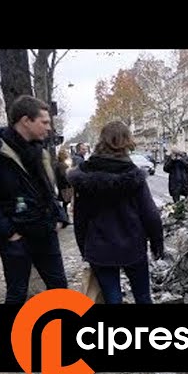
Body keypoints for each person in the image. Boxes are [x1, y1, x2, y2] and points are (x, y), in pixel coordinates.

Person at [67, 121, 164, 304]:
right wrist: (157, 244)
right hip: (133, 246)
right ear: (126, 141)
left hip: (99, 248)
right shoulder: (132, 174)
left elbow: (80, 218)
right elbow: (150, 213)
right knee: (143, 297)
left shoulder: (84, 176)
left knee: (112, 299)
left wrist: (84, 249)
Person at [0, 95, 69, 304]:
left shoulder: (39, 151)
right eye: (44, 122)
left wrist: (59, 216)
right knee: (17, 294)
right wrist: (8, 232)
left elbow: (49, 189)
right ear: (25, 121)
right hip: (16, 239)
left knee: (60, 290)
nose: (49, 128)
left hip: (46, 233)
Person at [55, 145, 74, 217]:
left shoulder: (58, 164)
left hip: (61, 186)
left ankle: (65, 216)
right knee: (66, 202)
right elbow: (65, 176)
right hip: (65, 187)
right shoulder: (63, 165)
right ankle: (64, 216)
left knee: (65, 203)